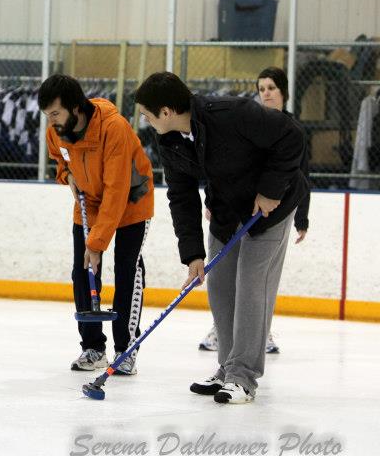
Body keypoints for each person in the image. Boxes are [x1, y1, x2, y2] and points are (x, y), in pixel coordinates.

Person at [135, 71, 306, 404]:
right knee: (221, 287)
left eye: (147, 113)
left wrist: (270, 190)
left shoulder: (231, 113)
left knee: (251, 287)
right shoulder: (168, 140)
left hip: (270, 209)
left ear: (166, 112)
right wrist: (193, 254)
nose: (144, 119)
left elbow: (292, 137)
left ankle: (243, 376)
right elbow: (181, 195)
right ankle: (227, 369)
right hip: (227, 213)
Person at [39, 75, 155, 374]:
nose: (50, 122)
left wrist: (97, 244)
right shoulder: (57, 132)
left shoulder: (114, 128)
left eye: (55, 114)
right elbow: (61, 160)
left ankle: (125, 349)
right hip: (89, 202)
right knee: (82, 271)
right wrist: (68, 176)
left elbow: (116, 190)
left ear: (76, 108)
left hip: (131, 201)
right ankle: (93, 348)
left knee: (126, 269)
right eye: (47, 115)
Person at [197, 66, 312, 354]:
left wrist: (302, 218)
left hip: (271, 215)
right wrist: (214, 202)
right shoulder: (251, 123)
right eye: (261, 89)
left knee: (255, 282)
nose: (266, 94)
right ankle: (223, 331)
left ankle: (259, 335)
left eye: (271, 88)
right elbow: (224, 166)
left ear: (283, 91)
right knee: (226, 278)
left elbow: (301, 177)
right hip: (238, 212)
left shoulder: (290, 129)